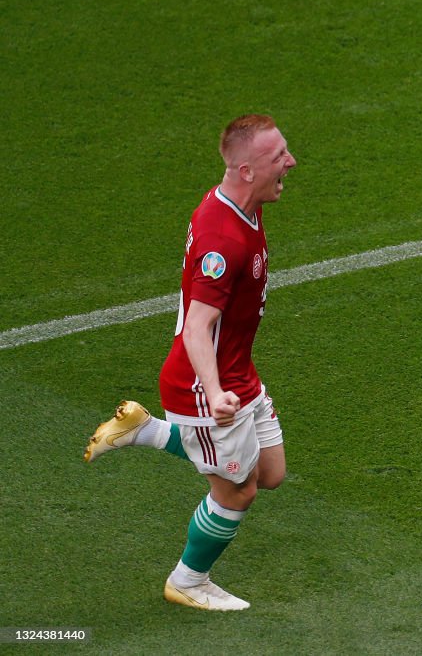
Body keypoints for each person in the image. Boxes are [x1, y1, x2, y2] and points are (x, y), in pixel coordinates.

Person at [84, 114, 297, 607]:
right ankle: (187, 581)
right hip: (207, 387)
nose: (291, 161)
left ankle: (146, 429)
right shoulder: (223, 240)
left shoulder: (237, 203)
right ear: (245, 171)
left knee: (270, 473)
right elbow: (200, 325)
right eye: (278, 157)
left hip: (238, 372)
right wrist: (215, 388)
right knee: (237, 492)